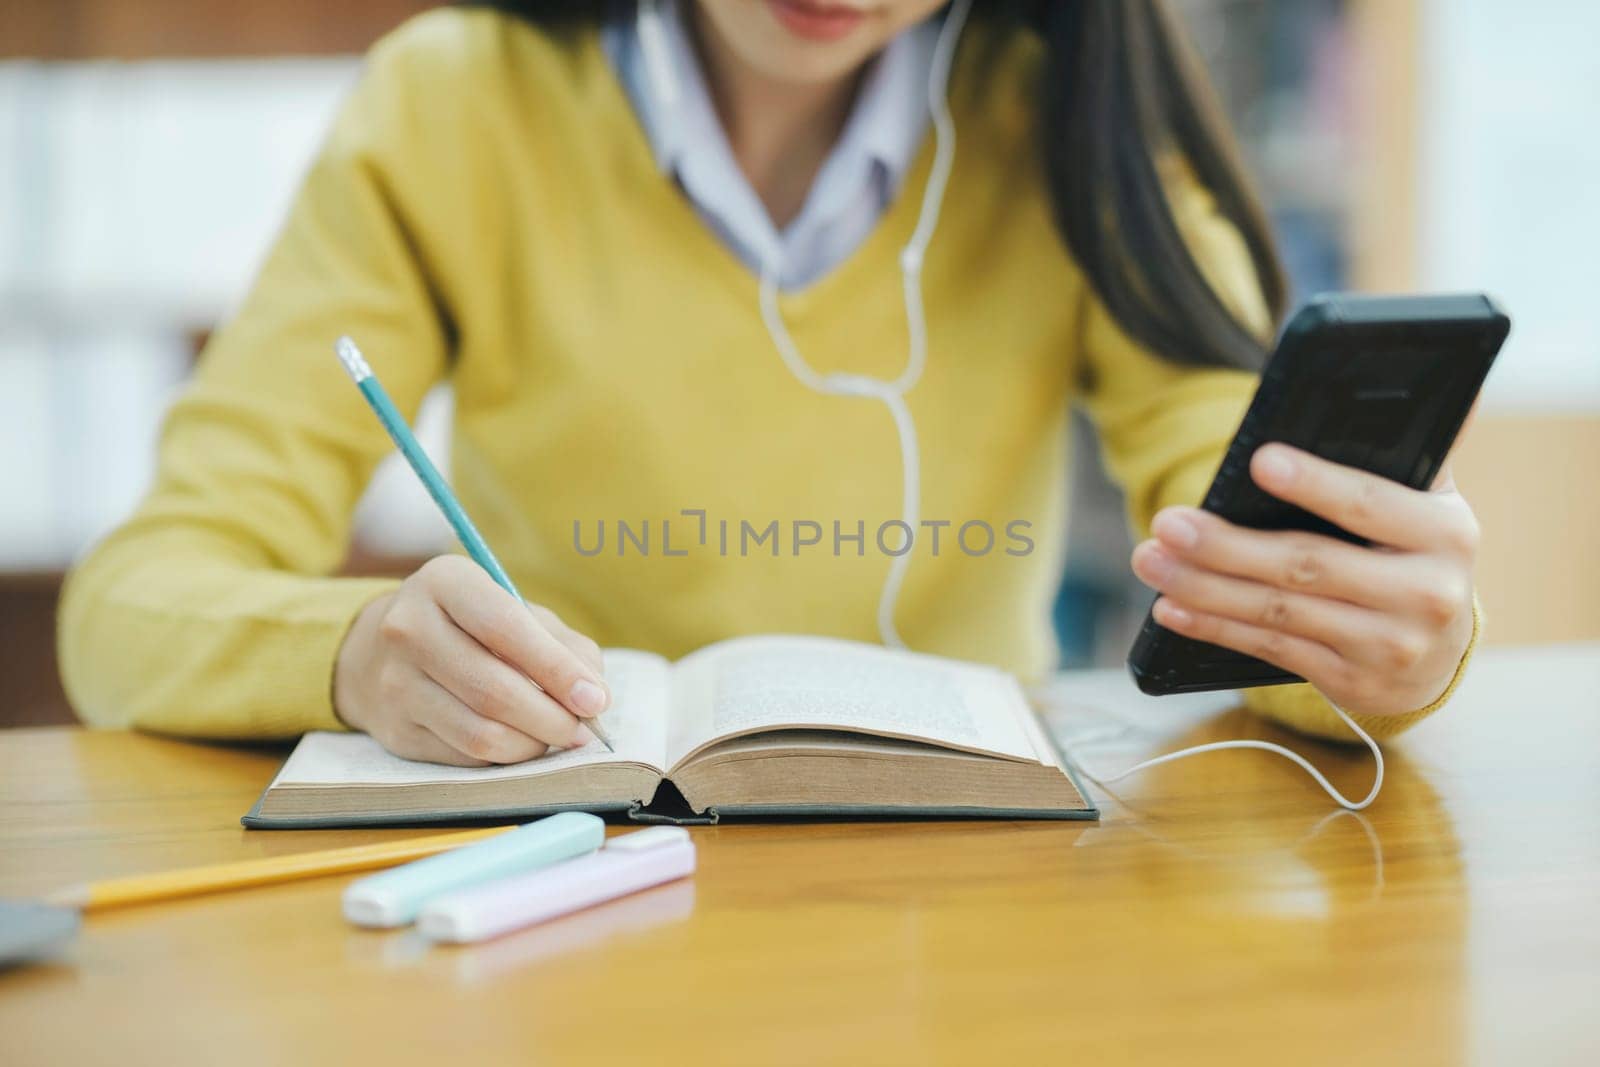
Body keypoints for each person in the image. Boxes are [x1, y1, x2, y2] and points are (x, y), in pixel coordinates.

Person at [58, 0, 1481, 767]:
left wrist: (1378, 644)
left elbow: (1252, 568)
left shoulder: (1076, 117)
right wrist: (355, 652)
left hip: (981, 898)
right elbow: (131, 607)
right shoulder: (450, 100)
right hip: (566, 871)